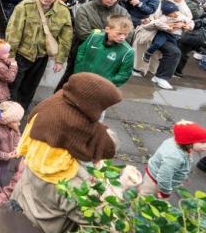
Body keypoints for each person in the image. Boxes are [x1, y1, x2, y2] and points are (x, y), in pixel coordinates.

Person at [12, 73, 122, 233]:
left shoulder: (41, 147)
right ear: (81, 148)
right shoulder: (73, 184)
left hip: (19, 210)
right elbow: (100, 224)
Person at [6, 0, 72, 110]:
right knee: (13, 84)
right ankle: (8, 109)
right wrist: (10, 56)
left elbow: (66, 37)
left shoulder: (63, 11)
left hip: (42, 56)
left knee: (30, 86)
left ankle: (22, 109)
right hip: (21, 53)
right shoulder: (25, 6)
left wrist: (60, 60)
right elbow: (13, 32)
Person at [139, 121, 206, 198]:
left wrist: (182, 176)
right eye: (202, 142)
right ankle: (135, 207)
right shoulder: (174, 157)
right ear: (189, 142)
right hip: (154, 180)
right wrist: (165, 192)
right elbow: (164, 176)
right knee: (145, 194)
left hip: (157, 174)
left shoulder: (179, 144)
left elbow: (180, 166)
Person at [73, 15, 134, 87]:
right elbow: (80, 54)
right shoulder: (94, 37)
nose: (122, 37)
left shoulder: (128, 52)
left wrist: (106, 83)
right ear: (107, 29)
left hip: (102, 88)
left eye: (125, 34)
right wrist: (78, 73)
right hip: (81, 80)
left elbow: (124, 75)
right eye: (119, 33)